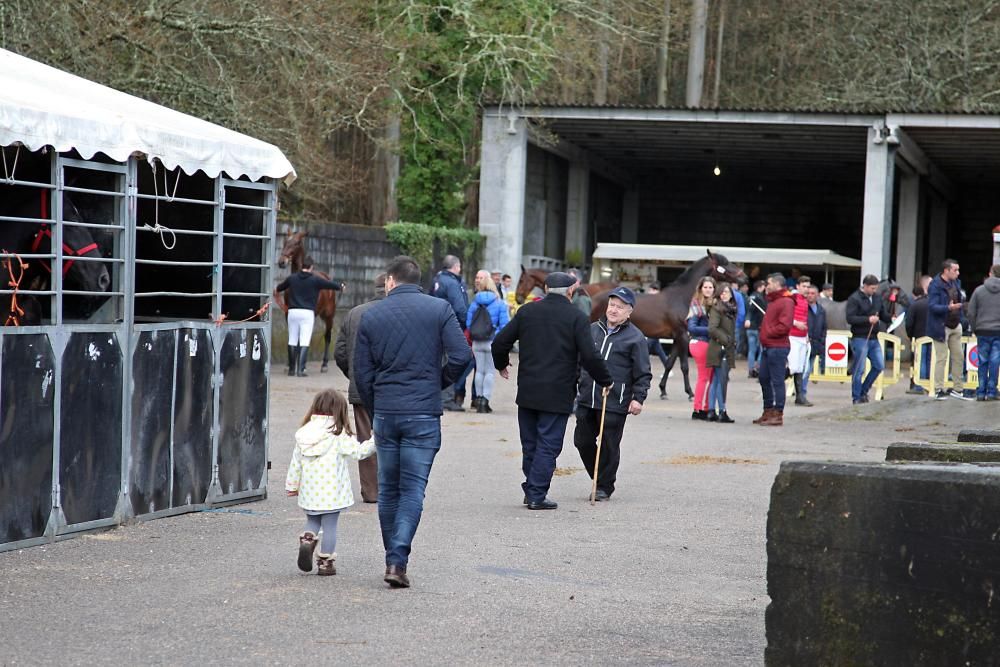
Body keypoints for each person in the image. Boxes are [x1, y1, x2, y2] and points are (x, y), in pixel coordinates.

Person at [354, 255, 471, 588]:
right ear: (417, 280)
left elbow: (362, 372)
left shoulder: (372, 314)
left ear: (391, 281)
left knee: (388, 489)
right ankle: (397, 560)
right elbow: (462, 356)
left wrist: (378, 406)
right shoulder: (438, 309)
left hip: (387, 412)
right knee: (412, 490)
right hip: (422, 412)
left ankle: (393, 557)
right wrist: (437, 384)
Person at [492, 271, 612, 510]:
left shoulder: (526, 311)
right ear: (570, 292)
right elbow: (590, 355)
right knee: (548, 443)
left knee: (530, 442)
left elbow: (500, 342)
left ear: (545, 290)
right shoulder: (577, 317)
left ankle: (532, 487)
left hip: (527, 389)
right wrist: (605, 379)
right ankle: (536, 493)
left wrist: (501, 364)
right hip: (558, 391)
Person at [285, 389, 375, 576]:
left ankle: (308, 539)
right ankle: (325, 563)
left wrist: (292, 485)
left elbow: (296, 463)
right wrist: (375, 440)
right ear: (340, 411)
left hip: (309, 492)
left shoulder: (303, 433)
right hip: (332, 493)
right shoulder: (337, 434)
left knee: (312, 521)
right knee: (330, 527)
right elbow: (359, 452)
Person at [573, 286, 651, 500]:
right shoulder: (592, 330)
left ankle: (605, 486)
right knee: (582, 440)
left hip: (615, 400)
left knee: (609, 443)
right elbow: (579, 361)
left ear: (629, 311)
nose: (614, 310)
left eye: (620, 307)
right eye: (612, 305)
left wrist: (638, 398)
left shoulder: (636, 338)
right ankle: (598, 476)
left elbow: (643, 372)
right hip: (588, 397)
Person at [333, 273, 386, 503]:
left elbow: (340, 353)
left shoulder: (355, 312)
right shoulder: (399, 311)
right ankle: (391, 491)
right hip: (390, 390)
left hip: (360, 389)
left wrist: (353, 375)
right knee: (393, 439)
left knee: (366, 440)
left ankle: (371, 492)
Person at [275, 256, 344, 377]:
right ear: (311, 267)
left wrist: (279, 298)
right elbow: (330, 285)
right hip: (307, 313)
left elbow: (279, 288)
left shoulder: (292, 278)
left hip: (293, 312)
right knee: (304, 340)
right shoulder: (315, 280)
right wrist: (340, 286)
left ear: (302, 266)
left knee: (292, 339)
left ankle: (291, 369)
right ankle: (301, 369)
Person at [432, 255, 474, 411]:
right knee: (455, 359)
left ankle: (444, 396)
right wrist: (466, 326)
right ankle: (447, 397)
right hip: (450, 327)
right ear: (456, 267)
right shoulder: (452, 283)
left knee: (441, 359)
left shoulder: (437, 280)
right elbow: (460, 308)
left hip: (436, 325)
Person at [927, 259, 972, 401]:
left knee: (958, 356)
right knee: (942, 357)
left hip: (955, 324)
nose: (958, 273)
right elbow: (932, 306)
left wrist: (961, 318)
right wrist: (948, 308)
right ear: (946, 270)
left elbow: (959, 301)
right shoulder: (935, 285)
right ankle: (939, 389)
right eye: (955, 270)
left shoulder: (956, 283)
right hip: (941, 326)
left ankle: (958, 389)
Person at [467, 269, 510, 413]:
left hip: (477, 341)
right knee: (490, 372)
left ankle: (478, 399)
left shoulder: (475, 301)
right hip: (492, 341)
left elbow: (469, 323)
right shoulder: (499, 303)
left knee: (479, 370)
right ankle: (485, 401)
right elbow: (505, 325)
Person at [754, 273, 794, 426]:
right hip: (769, 346)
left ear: (777, 284)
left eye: (769, 283)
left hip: (778, 346)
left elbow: (785, 325)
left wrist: (768, 331)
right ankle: (768, 410)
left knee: (777, 380)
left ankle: (778, 413)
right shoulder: (775, 300)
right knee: (764, 378)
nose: (766, 286)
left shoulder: (786, 301)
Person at [845, 274, 892, 405]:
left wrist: (891, 318)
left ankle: (863, 390)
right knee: (859, 369)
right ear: (864, 286)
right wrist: (867, 319)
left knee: (879, 365)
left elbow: (882, 314)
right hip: (860, 337)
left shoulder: (877, 298)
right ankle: (856, 397)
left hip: (874, 337)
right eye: (872, 288)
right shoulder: (854, 299)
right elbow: (850, 318)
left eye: (875, 288)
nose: (874, 291)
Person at [968, 264, 1000, 401]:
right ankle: (992, 391)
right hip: (998, 331)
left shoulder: (978, 291)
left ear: (990, 273)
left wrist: (975, 327)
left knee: (982, 361)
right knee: (995, 361)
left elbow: (971, 312)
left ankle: (981, 391)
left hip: (982, 330)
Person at [706, 283, 737, 423]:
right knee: (720, 380)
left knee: (717, 380)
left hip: (724, 348)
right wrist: (727, 340)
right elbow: (712, 328)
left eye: (727, 292)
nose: (725, 294)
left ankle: (712, 411)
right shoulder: (717, 308)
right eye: (722, 292)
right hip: (719, 349)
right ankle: (721, 411)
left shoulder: (730, 309)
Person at [687, 276, 716, 420]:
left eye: (711, 287)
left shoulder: (715, 304)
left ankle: (705, 407)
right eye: (705, 287)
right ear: (700, 288)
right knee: (704, 378)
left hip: (707, 344)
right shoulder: (697, 304)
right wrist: (711, 330)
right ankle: (698, 409)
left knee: (709, 377)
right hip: (700, 343)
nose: (708, 290)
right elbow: (691, 328)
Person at [799, 284, 827, 406]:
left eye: (812, 293)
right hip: (804, 342)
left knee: (808, 370)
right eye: (808, 293)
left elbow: (824, 327)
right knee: (803, 369)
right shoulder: (803, 308)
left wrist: (822, 340)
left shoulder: (821, 310)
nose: (810, 295)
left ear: (817, 295)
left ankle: (802, 393)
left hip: (816, 344)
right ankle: (801, 394)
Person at [904, 276, 932, 394]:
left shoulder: (914, 305)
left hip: (919, 336)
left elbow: (909, 323)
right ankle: (929, 384)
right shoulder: (932, 303)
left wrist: (910, 336)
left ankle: (919, 385)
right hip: (932, 336)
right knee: (930, 360)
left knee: (919, 361)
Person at [788, 275, 812, 407]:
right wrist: (796, 323)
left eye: (808, 286)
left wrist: (806, 334)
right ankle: (774, 391)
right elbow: (785, 316)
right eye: (804, 286)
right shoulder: (792, 299)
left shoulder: (804, 300)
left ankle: (799, 396)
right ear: (797, 286)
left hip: (802, 337)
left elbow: (805, 319)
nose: (806, 289)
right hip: (792, 336)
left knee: (800, 367)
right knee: (792, 366)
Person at [745, 279, 766, 378]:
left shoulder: (750, 297)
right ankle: (757, 368)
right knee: (762, 350)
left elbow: (748, 310)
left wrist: (747, 319)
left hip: (749, 328)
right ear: (760, 287)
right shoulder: (760, 298)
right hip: (758, 327)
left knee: (751, 350)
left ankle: (750, 370)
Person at [731, 281, 747, 358]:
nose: (737, 286)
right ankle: (733, 355)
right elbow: (741, 311)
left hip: (722, 323)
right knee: (735, 340)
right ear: (733, 284)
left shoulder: (721, 293)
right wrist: (740, 322)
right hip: (735, 322)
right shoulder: (738, 295)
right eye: (736, 284)